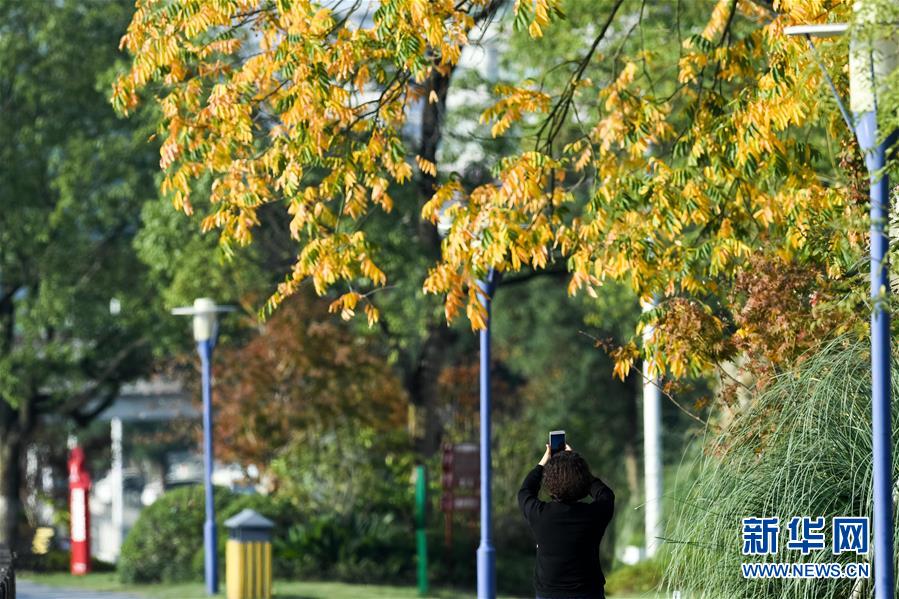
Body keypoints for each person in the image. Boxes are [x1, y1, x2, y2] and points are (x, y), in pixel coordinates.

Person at [518, 443, 615, 599]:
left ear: (549, 482)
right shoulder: (594, 514)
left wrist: (543, 463)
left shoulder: (539, 514)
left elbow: (525, 491)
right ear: (582, 481)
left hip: (548, 594)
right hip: (589, 593)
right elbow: (606, 494)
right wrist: (578, 470)